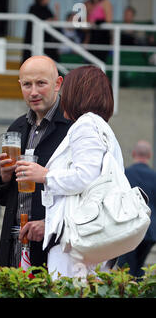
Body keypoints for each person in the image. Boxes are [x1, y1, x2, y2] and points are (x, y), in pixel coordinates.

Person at [20, 65, 122, 279]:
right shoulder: (100, 126)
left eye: (66, 91)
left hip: (78, 246)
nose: (63, 97)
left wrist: (44, 175)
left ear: (76, 94)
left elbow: (85, 177)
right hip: (88, 238)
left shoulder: (85, 125)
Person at [0, 55, 72, 270]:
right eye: (27, 84)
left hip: (54, 247)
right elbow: (2, 198)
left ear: (57, 84)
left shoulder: (74, 128)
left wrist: (50, 226)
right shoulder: (17, 127)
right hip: (14, 246)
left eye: (41, 83)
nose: (34, 92)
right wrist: (4, 177)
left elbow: (83, 188)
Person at [117, 140, 156, 277]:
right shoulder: (154, 177)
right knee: (139, 270)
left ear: (133, 154)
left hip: (129, 229)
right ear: (150, 155)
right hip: (149, 232)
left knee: (125, 270)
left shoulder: (124, 174)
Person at [22, 0, 60, 64]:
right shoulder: (33, 8)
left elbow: (54, 22)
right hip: (34, 41)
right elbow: (41, 21)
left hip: (46, 42)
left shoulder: (47, 9)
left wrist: (57, 11)